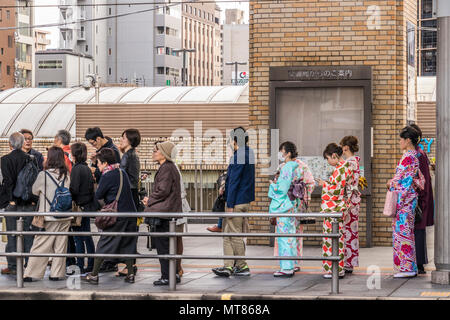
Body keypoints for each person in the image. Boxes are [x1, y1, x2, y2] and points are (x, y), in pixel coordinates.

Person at [82, 148, 137, 284]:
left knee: (104, 243)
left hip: (116, 215)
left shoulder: (107, 175)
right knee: (128, 244)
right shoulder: (121, 172)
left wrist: (95, 183)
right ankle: (130, 274)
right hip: (130, 214)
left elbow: (99, 195)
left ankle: (94, 275)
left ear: (105, 163)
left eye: (99, 164)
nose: (99, 167)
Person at [23, 147, 73, 282]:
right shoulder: (66, 175)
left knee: (40, 245)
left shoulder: (43, 175)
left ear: (49, 159)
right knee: (60, 246)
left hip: (49, 216)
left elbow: (34, 191)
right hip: (65, 216)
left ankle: (32, 274)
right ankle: (57, 273)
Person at [212, 127, 255, 278]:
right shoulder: (249, 153)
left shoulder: (239, 155)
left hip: (236, 201)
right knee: (228, 234)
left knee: (233, 234)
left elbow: (235, 181)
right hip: (244, 200)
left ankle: (242, 266)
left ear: (235, 140)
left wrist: (229, 204)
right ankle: (229, 266)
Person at [143, 141, 182, 286]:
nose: (153, 152)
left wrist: (149, 199)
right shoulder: (169, 167)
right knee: (167, 246)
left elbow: (163, 190)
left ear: (164, 153)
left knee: (163, 247)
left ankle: (167, 276)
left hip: (163, 213)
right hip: (167, 211)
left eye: (155, 150)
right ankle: (173, 274)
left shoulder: (166, 168)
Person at [388, 126, 422, 278]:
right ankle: (409, 267)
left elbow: (404, 181)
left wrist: (391, 184)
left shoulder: (409, 156)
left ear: (408, 140)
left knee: (403, 233)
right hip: (409, 199)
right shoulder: (414, 155)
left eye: (401, 139)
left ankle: (407, 268)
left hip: (405, 200)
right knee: (406, 232)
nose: (400, 142)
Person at [0, 132, 36, 275]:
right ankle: (29, 265)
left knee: (12, 234)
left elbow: (6, 181)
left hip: (12, 203)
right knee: (28, 234)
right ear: (22, 144)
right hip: (28, 202)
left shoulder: (4, 160)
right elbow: (35, 179)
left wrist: (10, 199)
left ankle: (13, 266)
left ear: (10, 144)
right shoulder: (31, 159)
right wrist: (33, 200)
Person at [268, 141, 303, 277]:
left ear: (288, 153)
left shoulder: (287, 167)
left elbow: (282, 189)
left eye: (282, 151)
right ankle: (292, 264)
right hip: (292, 204)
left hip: (285, 205)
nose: (281, 154)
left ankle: (287, 267)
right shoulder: (298, 167)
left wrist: (273, 185)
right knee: (291, 234)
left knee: (284, 236)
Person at [316, 143, 350, 279]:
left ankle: (335, 268)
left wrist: (324, 184)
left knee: (332, 240)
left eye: (328, 158)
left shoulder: (340, 169)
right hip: (338, 207)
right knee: (337, 239)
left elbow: (335, 191)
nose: (328, 161)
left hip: (334, 208)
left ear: (334, 156)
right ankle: (337, 267)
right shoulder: (343, 168)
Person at [409, 124, 434, 274]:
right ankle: (417, 263)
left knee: (418, 231)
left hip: (418, 199)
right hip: (420, 198)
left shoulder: (418, 155)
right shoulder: (419, 153)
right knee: (417, 231)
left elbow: (421, 180)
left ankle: (418, 264)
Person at [69, 142, 97, 275]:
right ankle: (91, 263)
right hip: (87, 206)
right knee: (87, 236)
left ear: (74, 154)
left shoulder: (76, 169)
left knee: (79, 237)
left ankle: (79, 265)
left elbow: (73, 189)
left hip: (79, 207)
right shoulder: (86, 168)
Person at [117, 129, 141, 277]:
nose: (121, 140)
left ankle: (129, 266)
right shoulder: (132, 155)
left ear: (130, 140)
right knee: (130, 231)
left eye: (123, 138)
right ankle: (129, 265)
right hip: (133, 195)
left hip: (128, 195)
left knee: (128, 231)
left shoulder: (128, 156)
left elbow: (123, 177)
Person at [340, 136, 361, 274]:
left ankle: (348, 262)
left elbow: (343, 181)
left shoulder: (349, 163)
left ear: (346, 147)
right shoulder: (354, 161)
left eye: (342, 146)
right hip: (353, 201)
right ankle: (350, 262)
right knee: (351, 232)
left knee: (347, 232)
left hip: (348, 202)